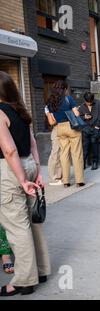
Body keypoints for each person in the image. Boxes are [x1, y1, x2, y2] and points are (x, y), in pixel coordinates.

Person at [0, 71, 51, 296]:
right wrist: (36, 172)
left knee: (16, 226)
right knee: (33, 221)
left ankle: (23, 280)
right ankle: (41, 270)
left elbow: (9, 150)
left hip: (11, 171)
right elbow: (31, 143)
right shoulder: (21, 111)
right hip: (29, 164)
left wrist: (21, 180)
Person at [45, 80, 85, 187]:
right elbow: (76, 113)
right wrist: (76, 111)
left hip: (59, 128)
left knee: (63, 154)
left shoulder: (50, 102)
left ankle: (66, 181)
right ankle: (79, 181)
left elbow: (52, 119)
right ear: (65, 89)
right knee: (76, 153)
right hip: (71, 127)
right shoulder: (68, 99)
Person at [78, 92, 100, 171]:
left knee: (94, 145)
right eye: (87, 102)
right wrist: (84, 117)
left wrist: (97, 126)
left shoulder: (99, 104)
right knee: (85, 146)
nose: (89, 104)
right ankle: (82, 163)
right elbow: (79, 117)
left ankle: (94, 162)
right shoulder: (82, 107)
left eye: (90, 102)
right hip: (85, 128)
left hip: (96, 127)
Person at [44, 105, 62, 186]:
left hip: (62, 129)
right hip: (57, 131)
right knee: (55, 154)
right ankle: (54, 178)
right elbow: (52, 122)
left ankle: (59, 176)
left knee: (60, 154)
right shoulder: (49, 107)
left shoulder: (61, 104)